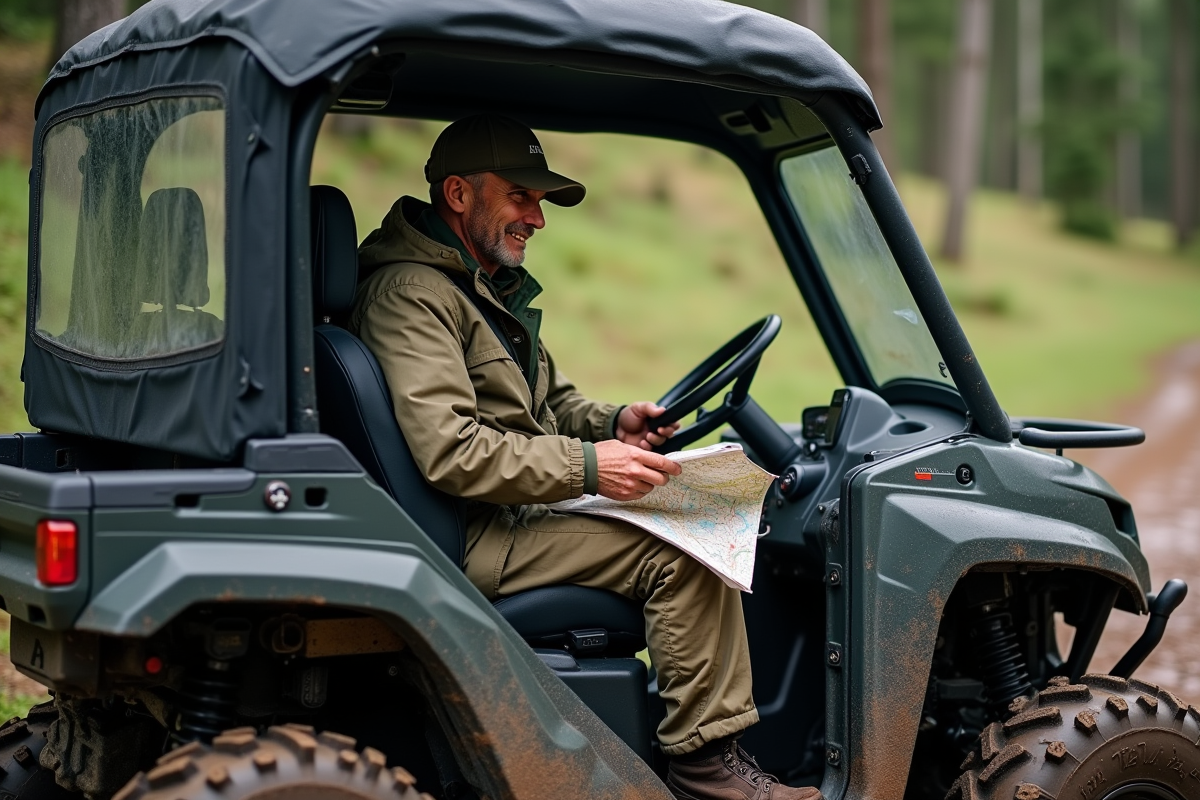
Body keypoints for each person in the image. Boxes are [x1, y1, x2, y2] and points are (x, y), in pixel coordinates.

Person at [349, 114, 822, 800]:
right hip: (473, 531)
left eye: (539, 202)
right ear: (458, 194)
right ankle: (707, 771)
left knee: (702, 507)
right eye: (521, 196)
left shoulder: (479, 288)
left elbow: (542, 407)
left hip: (504, 510)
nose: (536, 219)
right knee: (689, 545)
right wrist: (592, 467)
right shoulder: (412, 295)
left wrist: (614, 423)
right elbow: (451, 452)